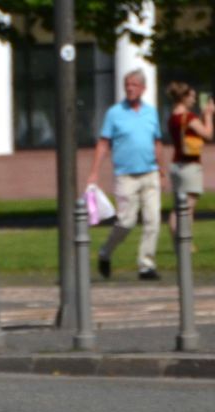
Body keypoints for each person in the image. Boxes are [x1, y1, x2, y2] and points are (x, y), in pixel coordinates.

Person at [87, 70, 165, 281]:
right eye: (127, 85)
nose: (130, 88)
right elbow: (103, 144)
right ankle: (105, 252)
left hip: (149, 173)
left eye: (134, 85)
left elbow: (157, 141)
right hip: (125, 176)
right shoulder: (115, 113)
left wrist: (160, 165)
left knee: (153, 220)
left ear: (143, 88)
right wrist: (94, 172)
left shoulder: (151, 113)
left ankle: (146, 265)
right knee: (126, 222)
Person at [165, 81, 214, 249]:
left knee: (178, 207)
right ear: (184, 97)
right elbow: (207, 134)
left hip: (176, 164)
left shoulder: (173, 118)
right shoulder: (189, 117)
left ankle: (177, 241)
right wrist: (208, 116)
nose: (193, 100)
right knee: (188, 209)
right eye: (192, 97)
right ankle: (186, 243)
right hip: (190, 166)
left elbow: (190, 131)